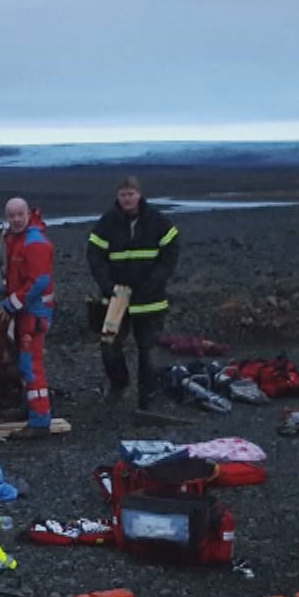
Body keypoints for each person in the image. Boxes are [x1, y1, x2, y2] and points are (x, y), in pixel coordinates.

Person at [86, 177, 181, 417]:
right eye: (123, 195)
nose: (127, 199)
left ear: (139, 194)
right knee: (110, 348)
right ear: (117, 197)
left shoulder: (157, 221)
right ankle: (119, 384)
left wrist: (153, 283)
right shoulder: (107, 223)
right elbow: (94, 255)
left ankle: (147, 398)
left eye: (131, 194)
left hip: (150, 301)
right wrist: (108, 286)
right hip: (116, 301)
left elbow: (170, 253)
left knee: (148, 351)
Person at [0, 197, 54, 432]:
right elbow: (18, 274)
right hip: (27, 311)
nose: (16, 220)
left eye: (20, 214)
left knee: (31, 364)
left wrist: (11, 302)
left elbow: (40, 281)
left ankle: (40, 420)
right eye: (12, 216)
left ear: (28, 214)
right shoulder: (15, 239)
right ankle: (33, 408)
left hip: (34, 313)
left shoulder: (34, 243)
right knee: (25, 362)